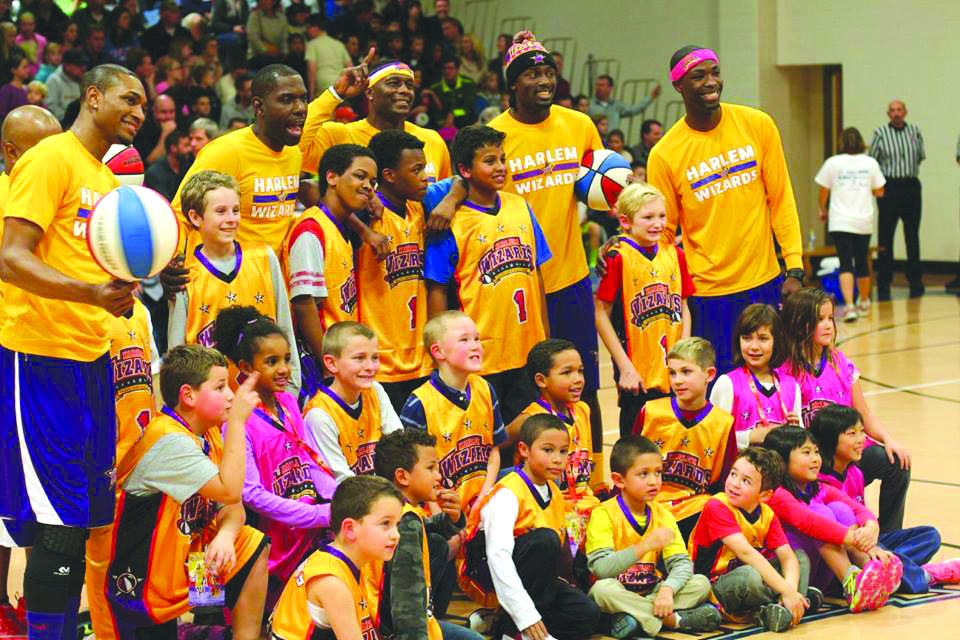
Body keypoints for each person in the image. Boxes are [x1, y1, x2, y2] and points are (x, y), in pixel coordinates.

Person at [0, 64, 144, 640]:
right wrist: (90, 293)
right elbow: (11, 256)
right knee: (55, 523)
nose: (137, 109)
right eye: (127, 99)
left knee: (80, 519)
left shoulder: (105, 183)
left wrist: (119, 293)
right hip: (38, 355)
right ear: (92, 97)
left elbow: (91, 270)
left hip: (90, 357)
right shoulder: (49, 158)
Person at [487, 31, 608, 482]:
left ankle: (593, 477)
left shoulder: (579, 125)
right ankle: (526, 478)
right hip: (517, 286)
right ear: (512, 84)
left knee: (585, 383)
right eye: (532, 74)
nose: (543, 80)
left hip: (571, 277)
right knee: (526, 388)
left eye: (548, 72)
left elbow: (599, 186)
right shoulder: (497, 134)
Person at [646, 45, 804, 373]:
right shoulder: (665, 154)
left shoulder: (757, 124)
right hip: (708, 293)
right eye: (698, 76)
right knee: (721, 390)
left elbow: (781, 200)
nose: (711, 81)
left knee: (774, 385)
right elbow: (662, 232)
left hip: (765, 281)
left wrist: (794, 266)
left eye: (715, 72)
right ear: (678, 86)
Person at [105, 343, 268, 639]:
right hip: (135, 581)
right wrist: (239, 423)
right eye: (220, 387)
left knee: (250, 543)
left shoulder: (207, 432)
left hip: (179, 566)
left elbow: (234, 508)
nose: (231, 395)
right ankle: (193, 626)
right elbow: (230, 491)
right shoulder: (170, 440)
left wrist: (228, 536)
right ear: (188, 395)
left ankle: (215, 622)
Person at [425, 125, 551, 423]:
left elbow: (538, 277)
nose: (500, 167)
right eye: (490, 160)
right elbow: (437, 290)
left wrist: (545, 338)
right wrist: (439, 352)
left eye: (503, 159)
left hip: (527, 350)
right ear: (465, 170)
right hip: (480, 356)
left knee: (529, 440)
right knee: (489, 441)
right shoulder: (451, 221)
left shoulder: (520, 206)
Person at [212, 305, 336, 604]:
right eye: (271, 361)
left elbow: (308, 459)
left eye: (286, 359)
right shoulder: (237, 420)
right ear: (245, 366)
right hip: (272, 542)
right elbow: (251, 494)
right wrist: (316, 515)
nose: (283, 369)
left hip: (305, 531)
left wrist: (340, 497)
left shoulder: (289, 402)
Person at [0, 103, 61, 639]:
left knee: (27, 486)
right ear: (11, 153)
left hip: (41, 352)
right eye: (42, 148)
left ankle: (25, 601)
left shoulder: (53, 191)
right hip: (9, 350)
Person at [779, 288, 911, 532]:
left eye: (830, 318)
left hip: (847, 456)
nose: (828, 325)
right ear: (799, 324)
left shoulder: (841, 364)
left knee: (896, 463)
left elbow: (865, 414)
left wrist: (889, 440)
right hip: (816, 462)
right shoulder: (786, 371)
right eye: (819, 319)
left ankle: (890, 536)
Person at [463, 414, 602, 640]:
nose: (558, 459)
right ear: (524, 450)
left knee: (587, 614)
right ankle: (513, 630)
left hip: (534, 578)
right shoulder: (508, 492)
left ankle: (501, 622)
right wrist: (525, 616)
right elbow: (498, 557)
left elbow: (561, 552)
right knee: (545, 541)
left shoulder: (555, 493)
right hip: (490, 572)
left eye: (564, 451)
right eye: (548, 450)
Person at [168, 170, 299, 387]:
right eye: (221, 211)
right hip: (212, 409)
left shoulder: (264, 257)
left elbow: (286, 330)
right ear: (195, 217)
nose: (231, 219)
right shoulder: (186, 275)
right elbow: (177, 353)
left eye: (236, 210)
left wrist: (292, 390)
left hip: (268, 400)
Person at [809, 407, 960, 592]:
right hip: (845, 553)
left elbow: (862, 516)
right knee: (875, 555)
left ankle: (885, 571)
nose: (861, 439)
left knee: (930, 536)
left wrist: (872, 536)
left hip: (868, 543)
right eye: (852, 433)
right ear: (830, 440)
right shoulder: (818, 482)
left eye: (862, 431)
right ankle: (925, 575)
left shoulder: (855, 472)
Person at [586, 436, 717, 638]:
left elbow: (681, 563)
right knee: (602, 590)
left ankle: (634, 618)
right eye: (643, 474)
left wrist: (667, 591)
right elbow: (601, 569)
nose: (654, 481)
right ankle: (673, 620)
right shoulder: (603, 513)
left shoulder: (663, 514)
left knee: (700, 583)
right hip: (617, 594)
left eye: (658, 473)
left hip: (652, 592)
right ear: (619, 480)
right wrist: (645, 546)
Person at [762, 426, 902, 609]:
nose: (815, 459)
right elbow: (808, 522)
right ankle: (852, 583)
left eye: (816, 452)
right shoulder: (775, 493)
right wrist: (857, 540)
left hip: (824, 573)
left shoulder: (818, 487)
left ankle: (867, 571)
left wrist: (870, 530)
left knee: (840, 508)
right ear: (781, 460)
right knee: (822, 514)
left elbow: (857, 508)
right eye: (806, 453)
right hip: (790, 572)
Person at [173, 64, 306, 256]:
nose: (300, 108)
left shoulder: (293, 154)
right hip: (226, 278)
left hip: (272, 279)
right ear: (259, 107)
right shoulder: (226, 151)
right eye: (287, 99)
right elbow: (179, 214)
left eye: (303, 98)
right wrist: (173, 261)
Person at [86, 297, 159, 640]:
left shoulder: (142, 311)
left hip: (143, 460)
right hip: (106, 466)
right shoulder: (93, 311)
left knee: (137, 567)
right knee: (102, 568)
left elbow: (153, 376)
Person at [595, 182, 693, 437]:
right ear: (626, 221)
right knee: (634, 451)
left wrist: (684, 354)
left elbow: (683, 306)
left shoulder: (675, 255)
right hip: (637, 375)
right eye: (648, 217)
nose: (658, 223)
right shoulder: (617, 258)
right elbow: (601, 314)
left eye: (661, 216)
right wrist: (624, 366)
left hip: (672, 372)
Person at [281, 143, 376, 397]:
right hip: (323, 367)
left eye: (372, 181)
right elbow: (304, 303)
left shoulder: (341, 228)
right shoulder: (311, 230)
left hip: (343, 360)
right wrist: (327, 364)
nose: (368, 186)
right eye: (360, 176)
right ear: (331, 177)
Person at [374, 429, 484, 640]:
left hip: (388, 623)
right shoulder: (405, 522)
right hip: (397, 630)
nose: (439, 475)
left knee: (436, 543)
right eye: (430, 468)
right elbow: (407, 605)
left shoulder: (391, 508)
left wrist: (452, 519)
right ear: (402, 476)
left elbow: (426, 528)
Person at [688, 447, 812, 632]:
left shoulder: (767, 514)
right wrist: (786, 590)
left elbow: (787, 557)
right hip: (716, 588)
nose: (734, 484)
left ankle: (787, 607)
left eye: (745, 481)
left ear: (764, 495)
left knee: (800, 557)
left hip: (755, 582)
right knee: (750, 576)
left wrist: (790, 590)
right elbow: (746, 553)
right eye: (733, 474)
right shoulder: (717, 505)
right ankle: (791, 604)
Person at [268, 476, 403, 640]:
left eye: (397, 524)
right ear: (350, 528)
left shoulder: (345, 559)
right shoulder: (332, 582)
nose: (396, 535)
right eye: (385, 524)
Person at [400, 311, 506, 519]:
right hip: (438, 510)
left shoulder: (485, 389)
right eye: (464, 340)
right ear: (439, 352)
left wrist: (483, 501)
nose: (476, 345)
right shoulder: (418, 404)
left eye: (476, 338)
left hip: (482, 499)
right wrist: (444, 522)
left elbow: (494, 451)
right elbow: (414, 477)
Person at [634, 337, 737, 539]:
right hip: (647, 506)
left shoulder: (724, 423)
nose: (677, 380)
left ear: (709, 374)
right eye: (672, 373)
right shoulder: (651, 412)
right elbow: (627, 465)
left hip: (695, 512)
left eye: (686, 372)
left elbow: (724, 485)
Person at [301, 56, 452, 185]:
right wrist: (335, 93)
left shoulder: (432, 140)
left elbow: (447, 193)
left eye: (409, 85)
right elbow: (294, 147)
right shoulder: (338, 136)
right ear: (369, 92)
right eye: (394, 83)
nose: (405, 90)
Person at [363, 130, 432, 411]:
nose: (425, 176)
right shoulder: (366, 214)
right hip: (380, 360)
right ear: (389, 175)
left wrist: (452, 199)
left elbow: (461, 184)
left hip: (421, 357)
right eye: (417, 170)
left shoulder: (419, 208)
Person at [514, 339, 600, 555]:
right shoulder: (530, 419)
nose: (578, 379)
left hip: (587, 504)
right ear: (542, 380)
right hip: (552, 509)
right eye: (567, 372)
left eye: (580, 371)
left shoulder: (582, 410)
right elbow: (496, 444)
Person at [302, 321, 403, 481]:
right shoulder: (318, 415)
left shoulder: (374, 390)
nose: (370, 366)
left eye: (375, 357)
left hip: (383, 491)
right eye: (359, 358)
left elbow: (400, 445)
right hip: (350, 499)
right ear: (331, 363)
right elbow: (343, 481)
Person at [815, 127, 885, 320]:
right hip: (863, 220)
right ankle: (864, 301)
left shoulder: (832, 163)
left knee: (845, 263)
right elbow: (880, 191)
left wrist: (823, 209)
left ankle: (849, 307)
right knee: (862, 261)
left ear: (842, 142)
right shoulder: (870, 163)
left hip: (840, 221)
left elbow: (823, 191)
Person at [709, 304, 801, 450]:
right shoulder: (727, 384)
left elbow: (800, 446)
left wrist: (796, 432)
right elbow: (714, 437)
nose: (754, 346)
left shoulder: (792, 386)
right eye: (747, 338)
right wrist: (751, 437)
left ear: (776, 341)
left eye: (763, 339)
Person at [869, 100, 925, 300]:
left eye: (899, 110)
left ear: (905, 112)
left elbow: (919, 157)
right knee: (886, 236)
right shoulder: (880, 133)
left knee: (912, 234)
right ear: (888, 114)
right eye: (892, 111)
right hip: (889, 187)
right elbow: (872, 161)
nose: (896, 114)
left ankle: (915, 280)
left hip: (910, 186)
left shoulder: (915, 132)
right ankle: (884, 281)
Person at [588, 74, 660, 133]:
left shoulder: (616, 105)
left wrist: (650, 97)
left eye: (602, 85)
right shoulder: (589, 105)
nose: (598, 88)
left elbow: (633, 110)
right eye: (597, 85)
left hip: (611, 142)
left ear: (610, 88)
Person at [304, 14, 351, 99]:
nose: (306, 31)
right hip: (341, 85)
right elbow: (350, 66)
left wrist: (311, 95)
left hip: (324, 88)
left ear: (315, 27)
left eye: (308, 27)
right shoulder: (338, 44)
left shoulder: (312, 44)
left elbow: (312, 71)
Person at [430, 56, 478, 128]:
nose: (447, 71)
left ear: (457, 70)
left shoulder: (468, 84)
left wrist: (453, 113)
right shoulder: (436, 88)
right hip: (442, 126)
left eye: (451, 68)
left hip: (465, 124)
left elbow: (467, 108)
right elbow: (436, 113)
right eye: (445, 68)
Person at [143, 128, 190, 201]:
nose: (190, 149)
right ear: (173, 148)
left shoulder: (185, 166)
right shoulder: (155, 172)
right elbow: (163, 202)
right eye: (186, 146)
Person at [133, 94, 178, 165]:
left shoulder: (178, 125)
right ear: (154, 112)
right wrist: (166, 133)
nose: (168, 116)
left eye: (171, 111)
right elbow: (150, 161)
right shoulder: (142, 130)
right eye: (163, 112)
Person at [45, 47, 86, 121]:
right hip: (62, 124)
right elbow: (51, 108)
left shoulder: (82, 79)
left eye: (83, 65)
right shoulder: (54, 80)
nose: (83, 68)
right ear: (67, 66)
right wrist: (71, 119)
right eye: (79, 65)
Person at [0, 50, 30, 123]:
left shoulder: (27, 89)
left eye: (27, 67)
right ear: (14, 70)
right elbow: (2, 113)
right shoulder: (6, 89)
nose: (27, 70)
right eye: (24, 67)